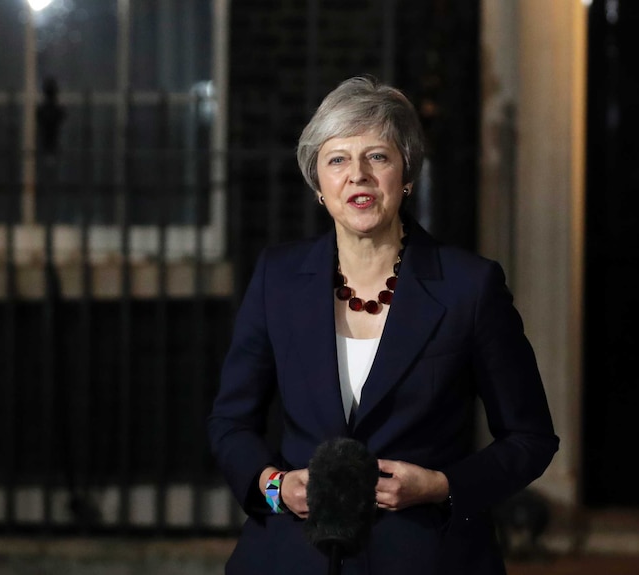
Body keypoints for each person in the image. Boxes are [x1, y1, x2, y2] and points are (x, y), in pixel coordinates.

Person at [208, 76, 558, 575]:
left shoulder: (469, 286)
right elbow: (229, 423)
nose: (358, 175)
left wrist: (441, 486)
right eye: (337, 159)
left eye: (377, 156)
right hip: (289, 558)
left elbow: (530, 438)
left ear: (406, 176)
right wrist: (275, 487)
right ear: (318, 184)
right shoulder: (277, 279)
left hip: (426, 556)